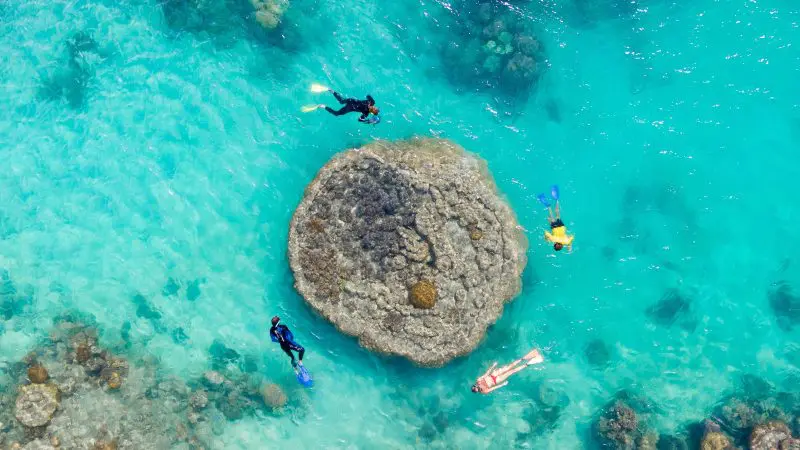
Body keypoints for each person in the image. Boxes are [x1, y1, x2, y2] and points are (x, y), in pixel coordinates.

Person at [471, 349, 544, 394]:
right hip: (497, 380)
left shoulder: (479, 380)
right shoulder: (484, 391)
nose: (479, 388)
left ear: (476, 385)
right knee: (512, 371)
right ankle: (527, 364)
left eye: (477, 387)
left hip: (493, 374)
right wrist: (502, 384)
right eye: (478, 389)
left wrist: (493, 366)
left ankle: (524, 358)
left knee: (510, 366)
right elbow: (494, 388)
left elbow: (486, 373)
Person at [538, 185, 574, 252]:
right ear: (555, 244)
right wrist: (546, 239)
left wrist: (569, 245)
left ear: (562, 246)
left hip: (562, 227)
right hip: (554, 228)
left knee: (557, 215)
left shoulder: (566, 241)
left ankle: (557, 200)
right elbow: (546, 232)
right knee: (551, 217)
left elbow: (572, 237)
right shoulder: (553, 239)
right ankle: (549, 206)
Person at [313, 89, 380, 123]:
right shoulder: (366, 113)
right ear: (371, 112)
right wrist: (368, 121)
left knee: (341, 101)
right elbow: (360, 120)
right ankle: (323, 106)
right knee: (336, 113)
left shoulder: (372, 102)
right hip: (350, 107)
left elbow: (368, 95)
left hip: (352, 100)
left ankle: (332, 91)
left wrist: (368, 98)